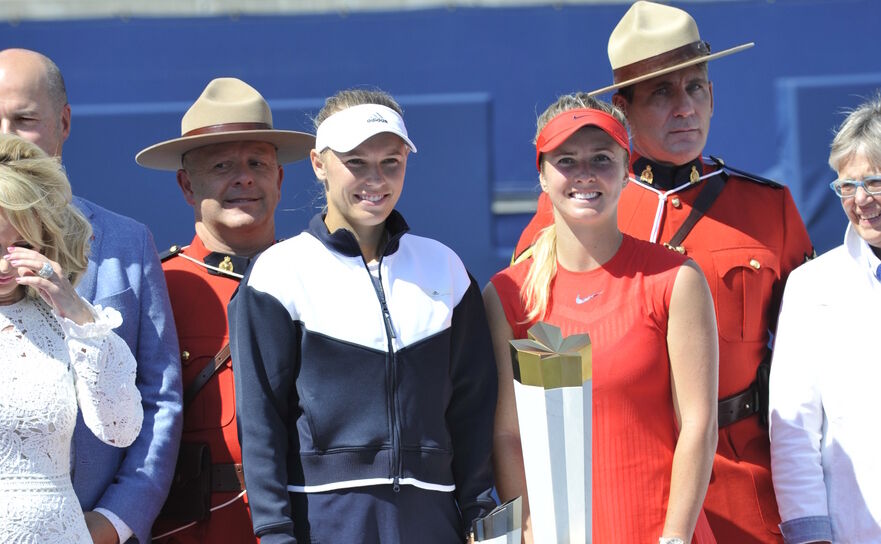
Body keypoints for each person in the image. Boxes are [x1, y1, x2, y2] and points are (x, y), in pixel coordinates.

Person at [512, 3, 813, 541]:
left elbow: (813, 363)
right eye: (661, 93)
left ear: (714, 96)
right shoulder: (576, 208)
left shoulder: (770, 210)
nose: (684, 108)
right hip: (620, 482)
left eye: (695, 88)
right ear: (623, 109)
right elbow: (532, 361)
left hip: (742, 487)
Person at [229, 88, 498, 543]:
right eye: (356, 162)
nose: (376, 178)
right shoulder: (278, 273)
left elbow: (472, 410)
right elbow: (260, 423)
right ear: (319, 164)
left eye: (390, 161)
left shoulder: (445, 268)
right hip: (325, 521)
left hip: (434, 522)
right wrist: (275, 533)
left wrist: (479, 514)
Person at [486, 93, 718, 544]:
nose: (585, 174)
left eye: (602, 158)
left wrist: (674, 536)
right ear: (542, 175)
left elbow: (699, 425)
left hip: (661, 532)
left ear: (627, 170)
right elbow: (507, 434)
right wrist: (533, 530)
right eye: (566, 160)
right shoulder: (508, 295)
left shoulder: (674, 279)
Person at [0, 48, 182, 544]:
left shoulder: (125, 243)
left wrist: (115, 522)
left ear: (62, 123)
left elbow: (158, 399)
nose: (5, 135)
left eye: (24, 119)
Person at [135, 77, 314, 543]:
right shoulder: (159, 286)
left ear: (280, 178)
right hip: (195, 528)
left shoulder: (321, 279)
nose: (244, 178)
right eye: (222, 166)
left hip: (309, 520)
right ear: (186, 185)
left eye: (258, 162)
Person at [0, 133, 144, 542]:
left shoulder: (68, 323)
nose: (4, 264)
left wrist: (76, 310)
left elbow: (121, 428)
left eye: (20, 246)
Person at [769, 95, 881, 544]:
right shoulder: (812, 286)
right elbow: (794, 428)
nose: (860, 200)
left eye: (873, 181)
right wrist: (810, 534)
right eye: (845, 186)